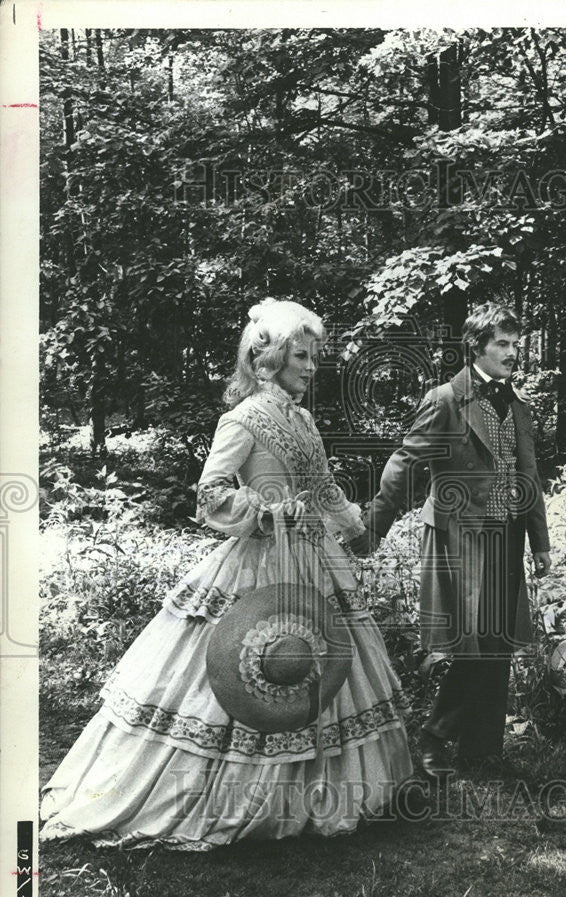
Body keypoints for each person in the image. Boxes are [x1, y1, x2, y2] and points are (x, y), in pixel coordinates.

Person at [41, 298, 413, 850]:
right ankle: (231, 797)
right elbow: (210, 495)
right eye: (302, 357)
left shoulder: (304, 419)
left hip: (313, 560)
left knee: (321, 668)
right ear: (269, 361)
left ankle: (322, 794)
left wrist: (352, 527)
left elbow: (322, 485)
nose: (311, 368)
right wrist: (263, 512)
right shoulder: (242, 420)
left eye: (313, 358)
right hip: (261, 563)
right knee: (254, 663)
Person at [351, 303, 551, 780]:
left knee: (497, 643)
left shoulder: (517, 405)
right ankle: (435, 738)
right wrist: (373, 526)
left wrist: (539, 542)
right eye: (501, 344)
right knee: (475, 643)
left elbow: (530, 475)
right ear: (476, 346)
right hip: (458, 536)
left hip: (507, 536)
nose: (511, 353)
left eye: (514, 344)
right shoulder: (445, 399)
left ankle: (482, 751)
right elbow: (405, 460)